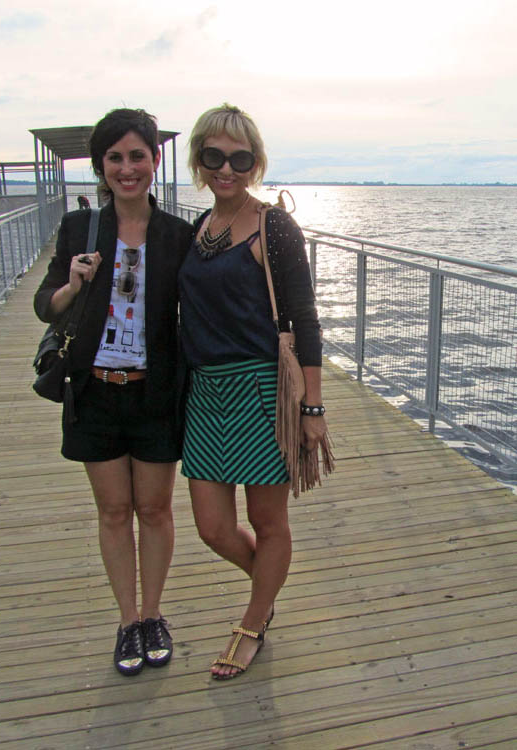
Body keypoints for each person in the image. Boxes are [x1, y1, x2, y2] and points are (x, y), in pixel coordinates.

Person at [34, 108, 193, 676]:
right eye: (115, 158)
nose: (127, 168)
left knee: (154, 509)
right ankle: (127, 621)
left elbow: (204, 304)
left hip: (155, 394)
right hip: (95, 393)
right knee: (113, 511)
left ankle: (153, 615)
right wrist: (73, 284)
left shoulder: (177, 235)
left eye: (137, 156)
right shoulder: (81, 227)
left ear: (154, 160)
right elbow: (46, 304)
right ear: (101, 166)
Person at [178, 104, 327, 679]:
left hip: (262, 391)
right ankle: (267, 585)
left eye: (240, 159)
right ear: (198, 159)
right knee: (212, 527)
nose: (226, 169)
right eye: (214, 156)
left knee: (268, 522)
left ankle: (254, 620)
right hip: (205, 393)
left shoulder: (274, 226)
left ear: (255, 164)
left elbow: (306, 321)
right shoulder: (200, 229)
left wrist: (312, 407)